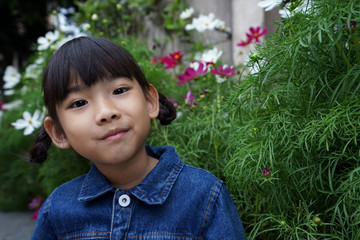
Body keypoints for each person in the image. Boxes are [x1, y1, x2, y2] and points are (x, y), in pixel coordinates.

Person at [29, 36, 246, 239]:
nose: (106, 112)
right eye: (79, 103)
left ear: (150, 101)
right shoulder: (57, 210)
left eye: (119, 90)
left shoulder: (204, 196)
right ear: (58, 132)